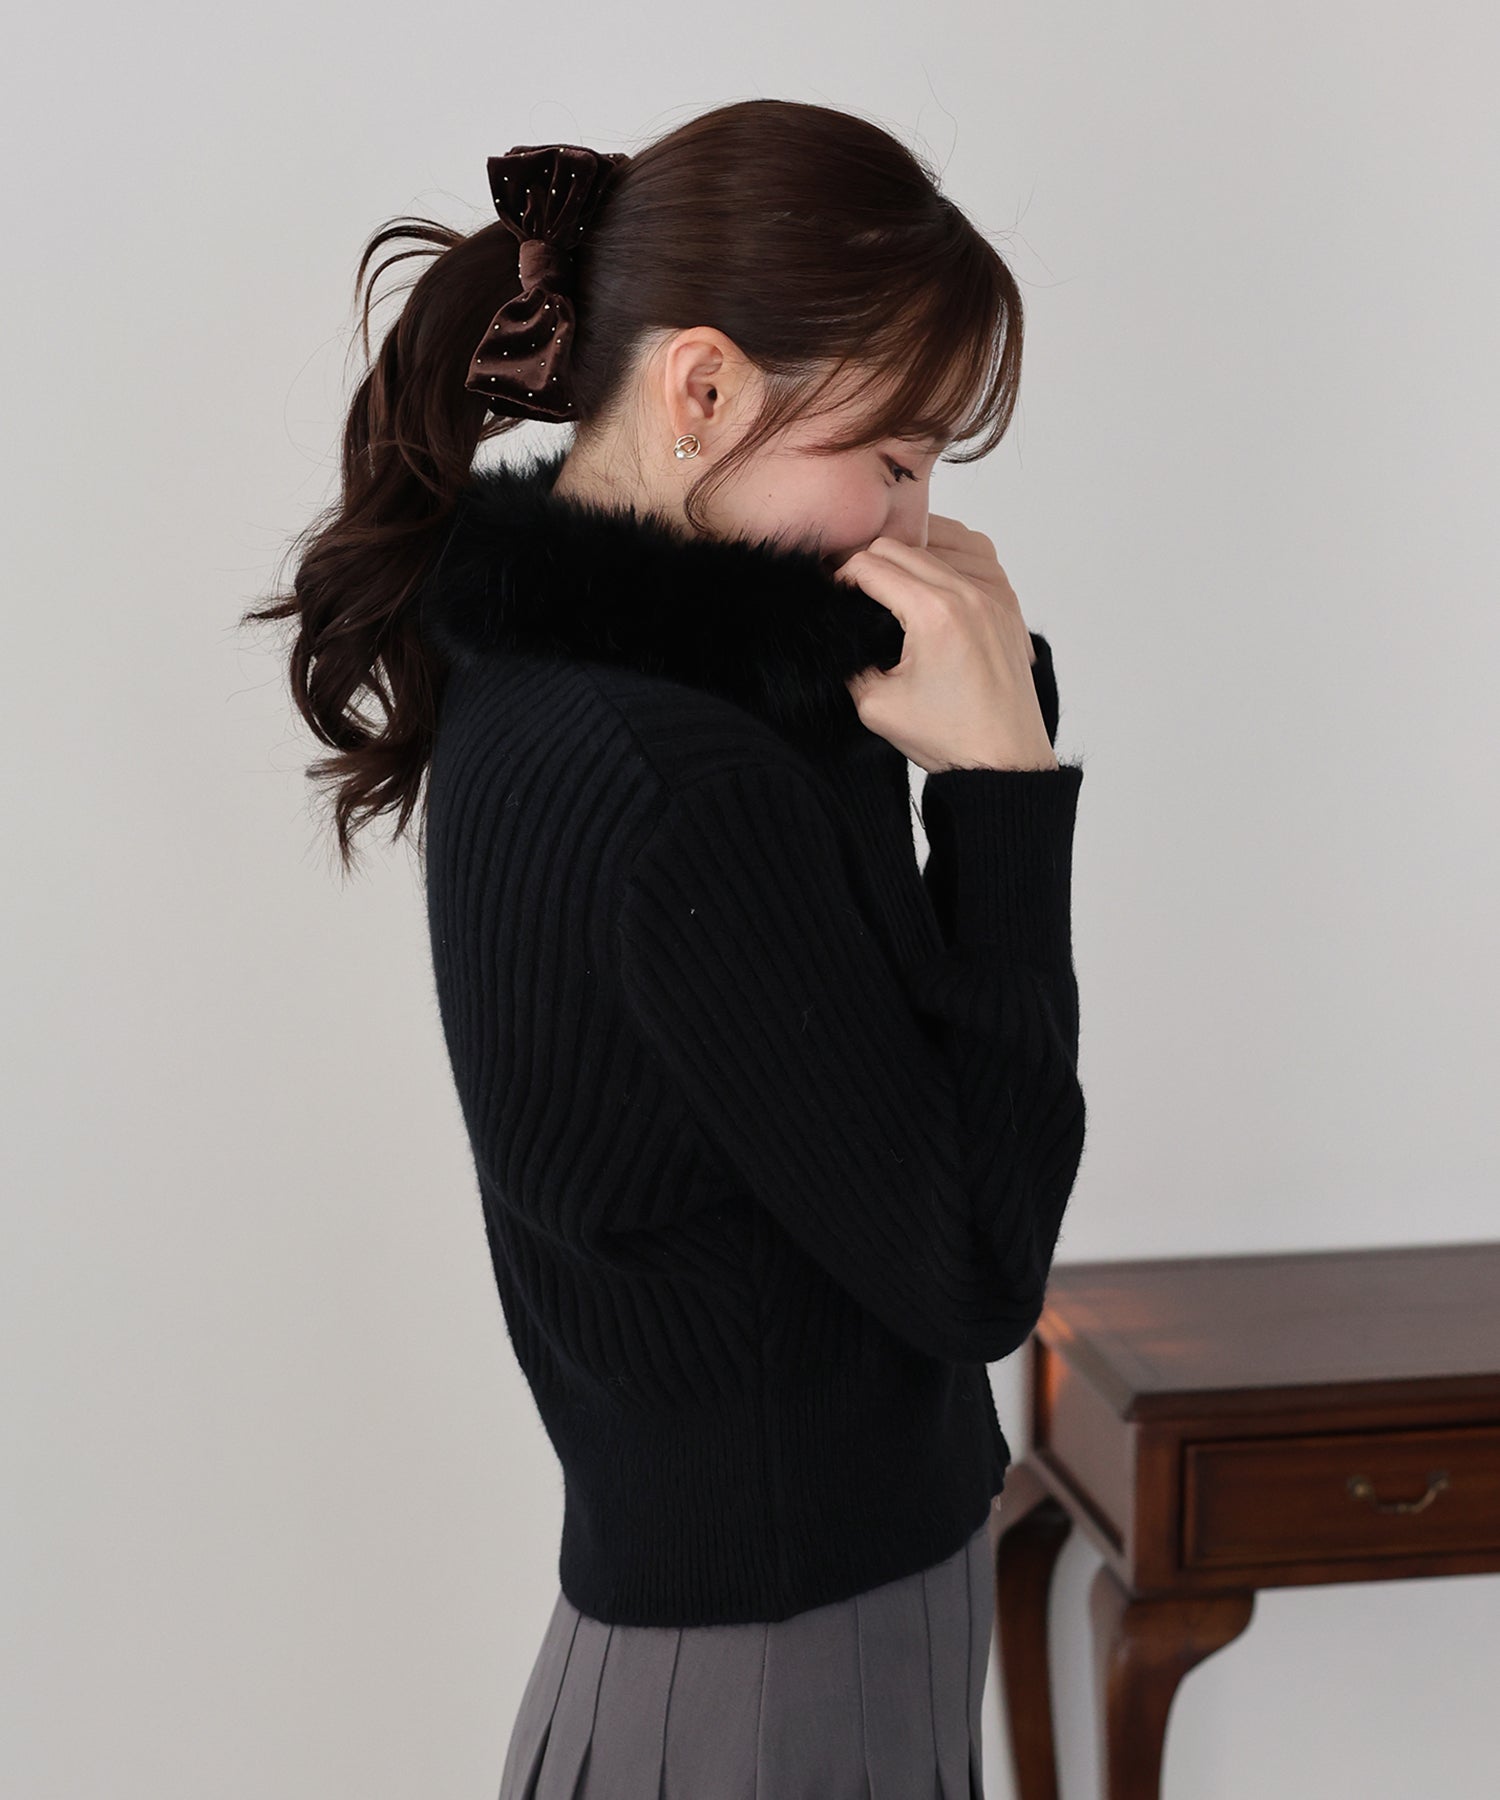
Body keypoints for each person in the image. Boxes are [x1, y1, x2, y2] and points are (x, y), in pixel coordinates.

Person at [249, 97, 1087, 1800]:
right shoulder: (677, 778)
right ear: (701, 392)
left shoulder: (617, 703)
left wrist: (954, 705)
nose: (913, 522)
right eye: (896, 459)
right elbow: (973, 1272)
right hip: (780, 1674)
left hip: (780, 1635)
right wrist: (1003, 798)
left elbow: (868, 1087)